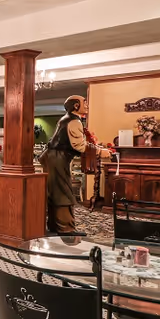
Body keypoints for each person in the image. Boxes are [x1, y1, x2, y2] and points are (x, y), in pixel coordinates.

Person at [40, 95, 112, 234]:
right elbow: (78, 145)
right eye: (84, 102)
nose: (87, 105)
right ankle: (65, 229)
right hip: (56, 158)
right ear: (76, 106)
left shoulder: (68, 119)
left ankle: (56, 226)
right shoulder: (73, 121)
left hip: (54, 157)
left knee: (56, 191)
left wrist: (94, 147)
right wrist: (101, 152)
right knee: (63, 192)